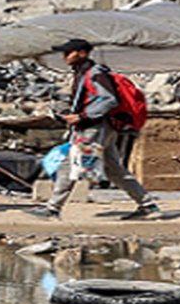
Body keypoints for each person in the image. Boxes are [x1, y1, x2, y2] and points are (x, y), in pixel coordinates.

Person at [26, 39, 159, 221]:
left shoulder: (95, 74)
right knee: (114, 170)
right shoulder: (84, 73)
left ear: (82, 53)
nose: (65, 56)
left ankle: (52, 209)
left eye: (69, 52)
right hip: (101, 128)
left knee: (71, 164)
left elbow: (109, 100)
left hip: (94, 128)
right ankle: (147, 206)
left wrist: (82, 116)